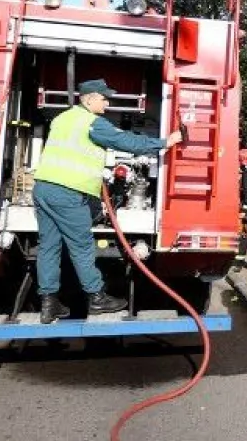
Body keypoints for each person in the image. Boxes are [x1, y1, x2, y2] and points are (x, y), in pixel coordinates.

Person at [33, 78, 183, 323]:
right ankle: (96, 297)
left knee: (49, 246)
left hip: (43, 188)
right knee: (81, 246)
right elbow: (127, 142)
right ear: (90, 99)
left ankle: (49, 304)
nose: (107, 102)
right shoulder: (92, 123)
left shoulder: (62, 119)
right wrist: (166, 142)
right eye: (104, 98)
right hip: (68, 193)